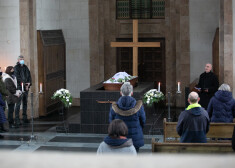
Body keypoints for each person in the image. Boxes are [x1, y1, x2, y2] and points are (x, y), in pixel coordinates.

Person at [109, 82, 146, 152]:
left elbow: (111, 122)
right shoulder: (138, 106)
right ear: (131, 93)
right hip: (135, 138)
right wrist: (138, 129)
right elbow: (143, 121)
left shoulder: (114, 107)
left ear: (120, 92)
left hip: (119, 138)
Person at [14, 55, 32, 124]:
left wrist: (29, 83)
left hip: (26, 87)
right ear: (18, 60)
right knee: (18, 104)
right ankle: (17, 119)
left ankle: (25, 117)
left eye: (23, 59)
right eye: (21, 59)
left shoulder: (25, 67)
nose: (22, 60)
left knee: (25, 103)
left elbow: (29, 76)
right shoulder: (16, 68)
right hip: (19, 87)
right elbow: (17, 77)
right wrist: (24, 84)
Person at [0, 67, 9, 131]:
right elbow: (2, 88)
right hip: (1, 98)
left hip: (2, 98)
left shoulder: (1, 78)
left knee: (2, 115)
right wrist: (6, 93)